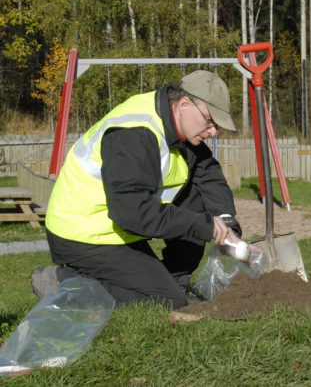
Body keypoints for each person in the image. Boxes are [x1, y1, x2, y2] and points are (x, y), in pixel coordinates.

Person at [31, 70, 243, 310]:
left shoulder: (177, 126)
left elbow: (207, 173)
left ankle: (176, 280)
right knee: (165, 302)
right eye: (210, 121)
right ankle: (62, 283)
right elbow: (131, 212)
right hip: (82, 233)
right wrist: (203, 225)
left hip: (120, 228)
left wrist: (227, 223)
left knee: (194, 200)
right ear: (184, 104)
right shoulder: (134, 135)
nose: (213, 132)